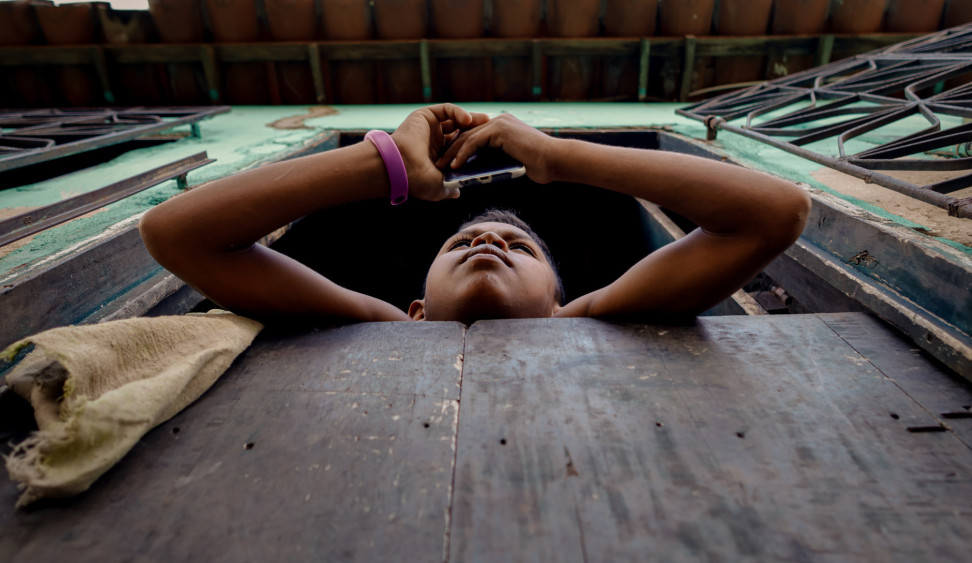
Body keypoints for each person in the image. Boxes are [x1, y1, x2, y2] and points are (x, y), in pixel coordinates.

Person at [140, 104, 810, 324]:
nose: (489, 236)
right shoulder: (381, 329)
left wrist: (558, 157)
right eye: (461, 241)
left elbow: (777, 209)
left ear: (558, 305)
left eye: (519, 247)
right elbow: (173, 234)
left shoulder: (591, 326)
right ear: (416, 311)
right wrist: (389, 164)